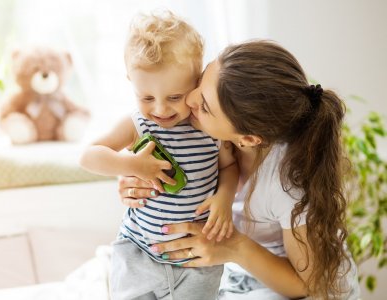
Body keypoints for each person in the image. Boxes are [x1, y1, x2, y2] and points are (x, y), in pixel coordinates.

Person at [118, 40, 360, 300]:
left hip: (293, 283)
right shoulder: (205, 130)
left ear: (248, 139)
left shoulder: (288, 185)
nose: (189, 99)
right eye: (201, 81)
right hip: (237, 271)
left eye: (205, 107)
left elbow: (305, 285)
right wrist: (133, 178)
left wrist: (234, 247)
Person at [80, 10, 239, 300]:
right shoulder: (137, 124)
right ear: (131, 81)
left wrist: (225, 198)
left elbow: (229, 167)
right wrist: (131, 164)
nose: (161, 110)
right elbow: (89, 156)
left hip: (196, 259)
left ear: (196, 81)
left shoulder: (209, 127)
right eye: (147, 98)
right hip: (139, 253)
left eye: (175, 97)